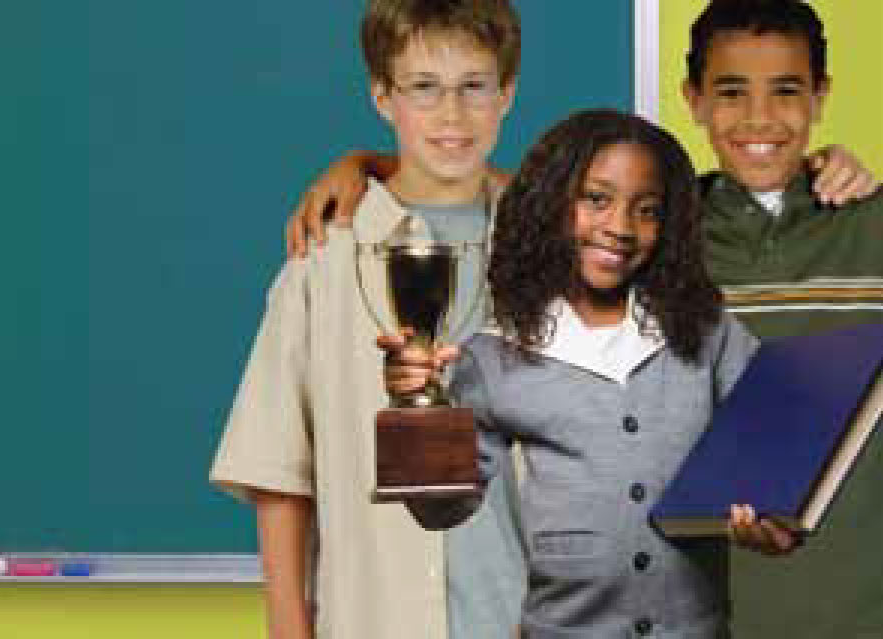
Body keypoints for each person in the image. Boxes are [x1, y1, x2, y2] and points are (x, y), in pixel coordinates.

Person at [382, 109, 797, 638]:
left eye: (647, 210)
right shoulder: (495, 355)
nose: (620, 228)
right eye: (596, 200)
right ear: (549, 203)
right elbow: (441, 510)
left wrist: (782, 517)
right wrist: (417, 406)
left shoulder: (705, 334)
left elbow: (778, 439)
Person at [210, 2, 527, 638]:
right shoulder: (324, 259)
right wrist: (288, 626)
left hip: (521, 611)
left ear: (507, 94)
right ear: (383, 96)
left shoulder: (547, 252)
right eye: (424, 89)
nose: (452, 115)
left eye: (474, 87)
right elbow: (279, 469)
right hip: (375, 616)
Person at [679, 2, 883, 637]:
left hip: (858, 608)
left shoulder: (872, 223)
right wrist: (366, 168)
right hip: (709, 611)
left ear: (821, 96)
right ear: (694, 100)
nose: (760, 119)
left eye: (786, 91)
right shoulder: (658, 237)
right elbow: (525, 207)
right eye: (731, 93)